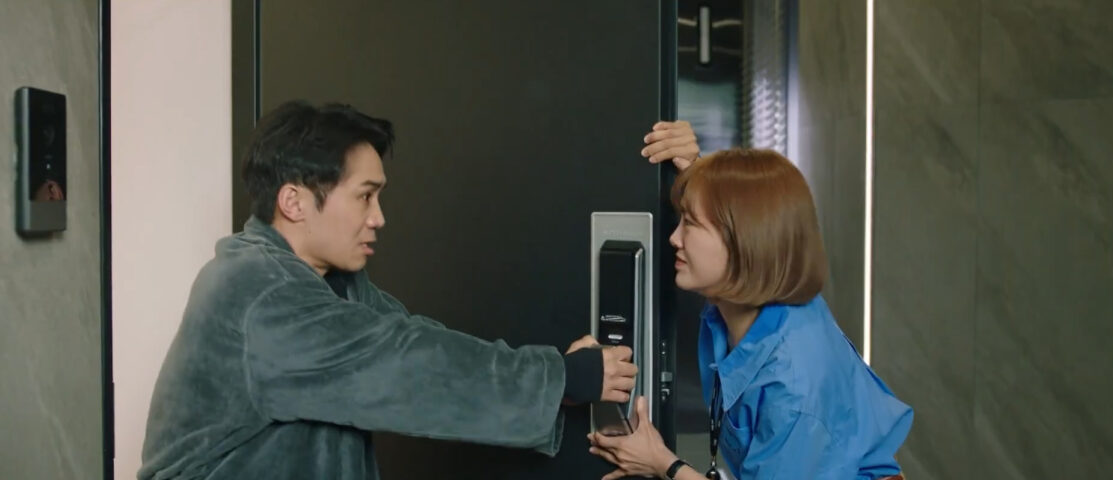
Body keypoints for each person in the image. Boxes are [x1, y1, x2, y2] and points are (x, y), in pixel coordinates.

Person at [138, 101, 698, 479]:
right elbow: (407, 366)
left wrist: (558, 385)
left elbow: (417, 339)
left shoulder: (324, 280)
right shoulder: (259, 293)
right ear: (294, 201)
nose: (379, 217)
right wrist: (561, 377)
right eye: (365, 196)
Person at [588, 148, 913, 480]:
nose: (674, 238)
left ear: (743, 241)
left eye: (690, 223)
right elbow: (755, 214)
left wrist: (662, 463)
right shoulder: (744, 302)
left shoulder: (793, 389)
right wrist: (697, 168)